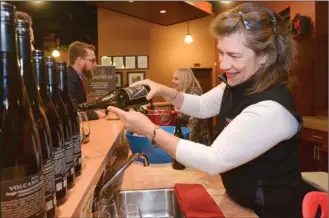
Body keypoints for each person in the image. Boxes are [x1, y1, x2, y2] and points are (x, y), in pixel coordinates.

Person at [108, 3, 310, 218]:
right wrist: (163, 90)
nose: (223, 64)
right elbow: (202, 106)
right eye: (221, 52)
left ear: (265, 56)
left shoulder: (271, 109)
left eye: (234, 55)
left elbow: (214, 159)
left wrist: (150, 130)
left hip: (271, 211)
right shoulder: (239, 84)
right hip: (243, 204)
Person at [172, 68, 211, 145]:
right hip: (187, 137)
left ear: (185, 79)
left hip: (196, 141)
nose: (172, 81)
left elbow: (194, 124)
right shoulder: (183, 91)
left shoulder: (194, 93)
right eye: (173, 78)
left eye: (176, 79)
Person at [67, 41, 105, 120]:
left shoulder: (75, 76)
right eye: (92, 60)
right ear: (80, 61)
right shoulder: (69, 78)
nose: (95, 64)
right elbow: (74, 111)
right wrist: (95, 115)